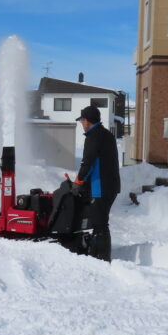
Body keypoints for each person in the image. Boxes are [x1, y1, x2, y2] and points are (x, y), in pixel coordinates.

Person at [72, 105, 120, 262]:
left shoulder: (93, 137)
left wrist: (78, 182)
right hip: (111, 186)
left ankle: (101, 259)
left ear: (86, 121)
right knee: (101, 222)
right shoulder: (107, 135)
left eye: (81, 120)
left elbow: (88, 163)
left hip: (101, 187)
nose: (81, 123)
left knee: (100, 224)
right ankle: (98, 255)